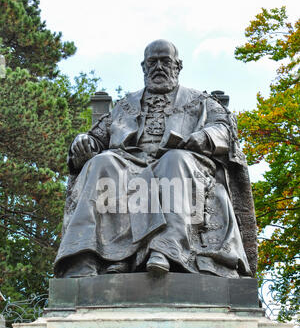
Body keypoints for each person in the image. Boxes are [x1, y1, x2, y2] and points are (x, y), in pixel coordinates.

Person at [54, 39, 253, 278]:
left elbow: (225, 130)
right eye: (153, 62)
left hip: (183, 164)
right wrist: (84, 142)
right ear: (144, 67)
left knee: (174, 161)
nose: (159, 67)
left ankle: (167, 250)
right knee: (101, 163)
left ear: (178, 66)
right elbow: (97, 137)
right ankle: (86, 257)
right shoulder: (124, 106)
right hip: (130, 165)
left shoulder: (201, 101)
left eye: (165, 61)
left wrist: (204, 137)